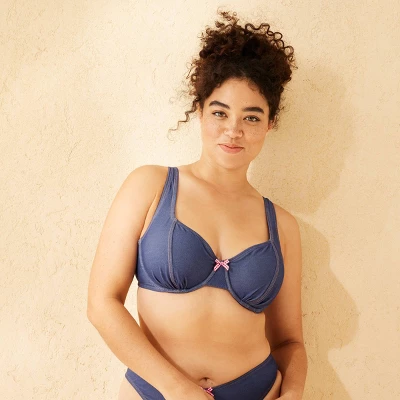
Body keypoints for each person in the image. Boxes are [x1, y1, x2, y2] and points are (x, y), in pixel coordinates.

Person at [87, 9, 307, 400]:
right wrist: (176, 389)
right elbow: (102, 304)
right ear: (200, 111)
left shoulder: (283, 225)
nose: (233, 130)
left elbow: (290, 342)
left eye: (252, 117)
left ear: (270, 123)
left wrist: (292, 394)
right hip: (156, 392)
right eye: (220, 112)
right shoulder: (151, 186)